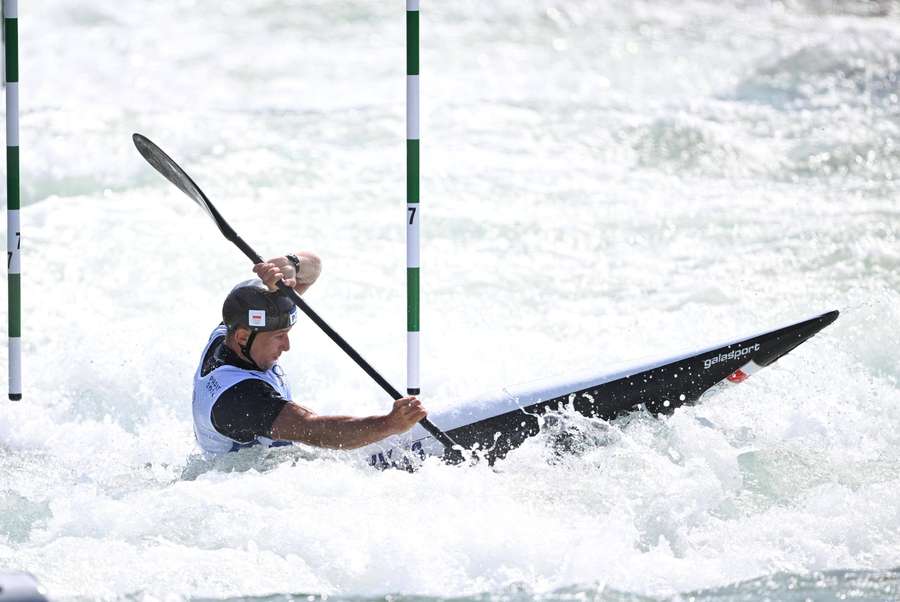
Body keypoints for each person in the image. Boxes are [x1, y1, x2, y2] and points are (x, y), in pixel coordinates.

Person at [192, 251, 427, 454]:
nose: (286, 346)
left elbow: (313, 267)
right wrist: (389, 424)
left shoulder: (236, 327)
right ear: (243, 337)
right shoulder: (238, 398)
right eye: (278, 336)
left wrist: (291, 266)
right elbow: (312, 428)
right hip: (249, 480)